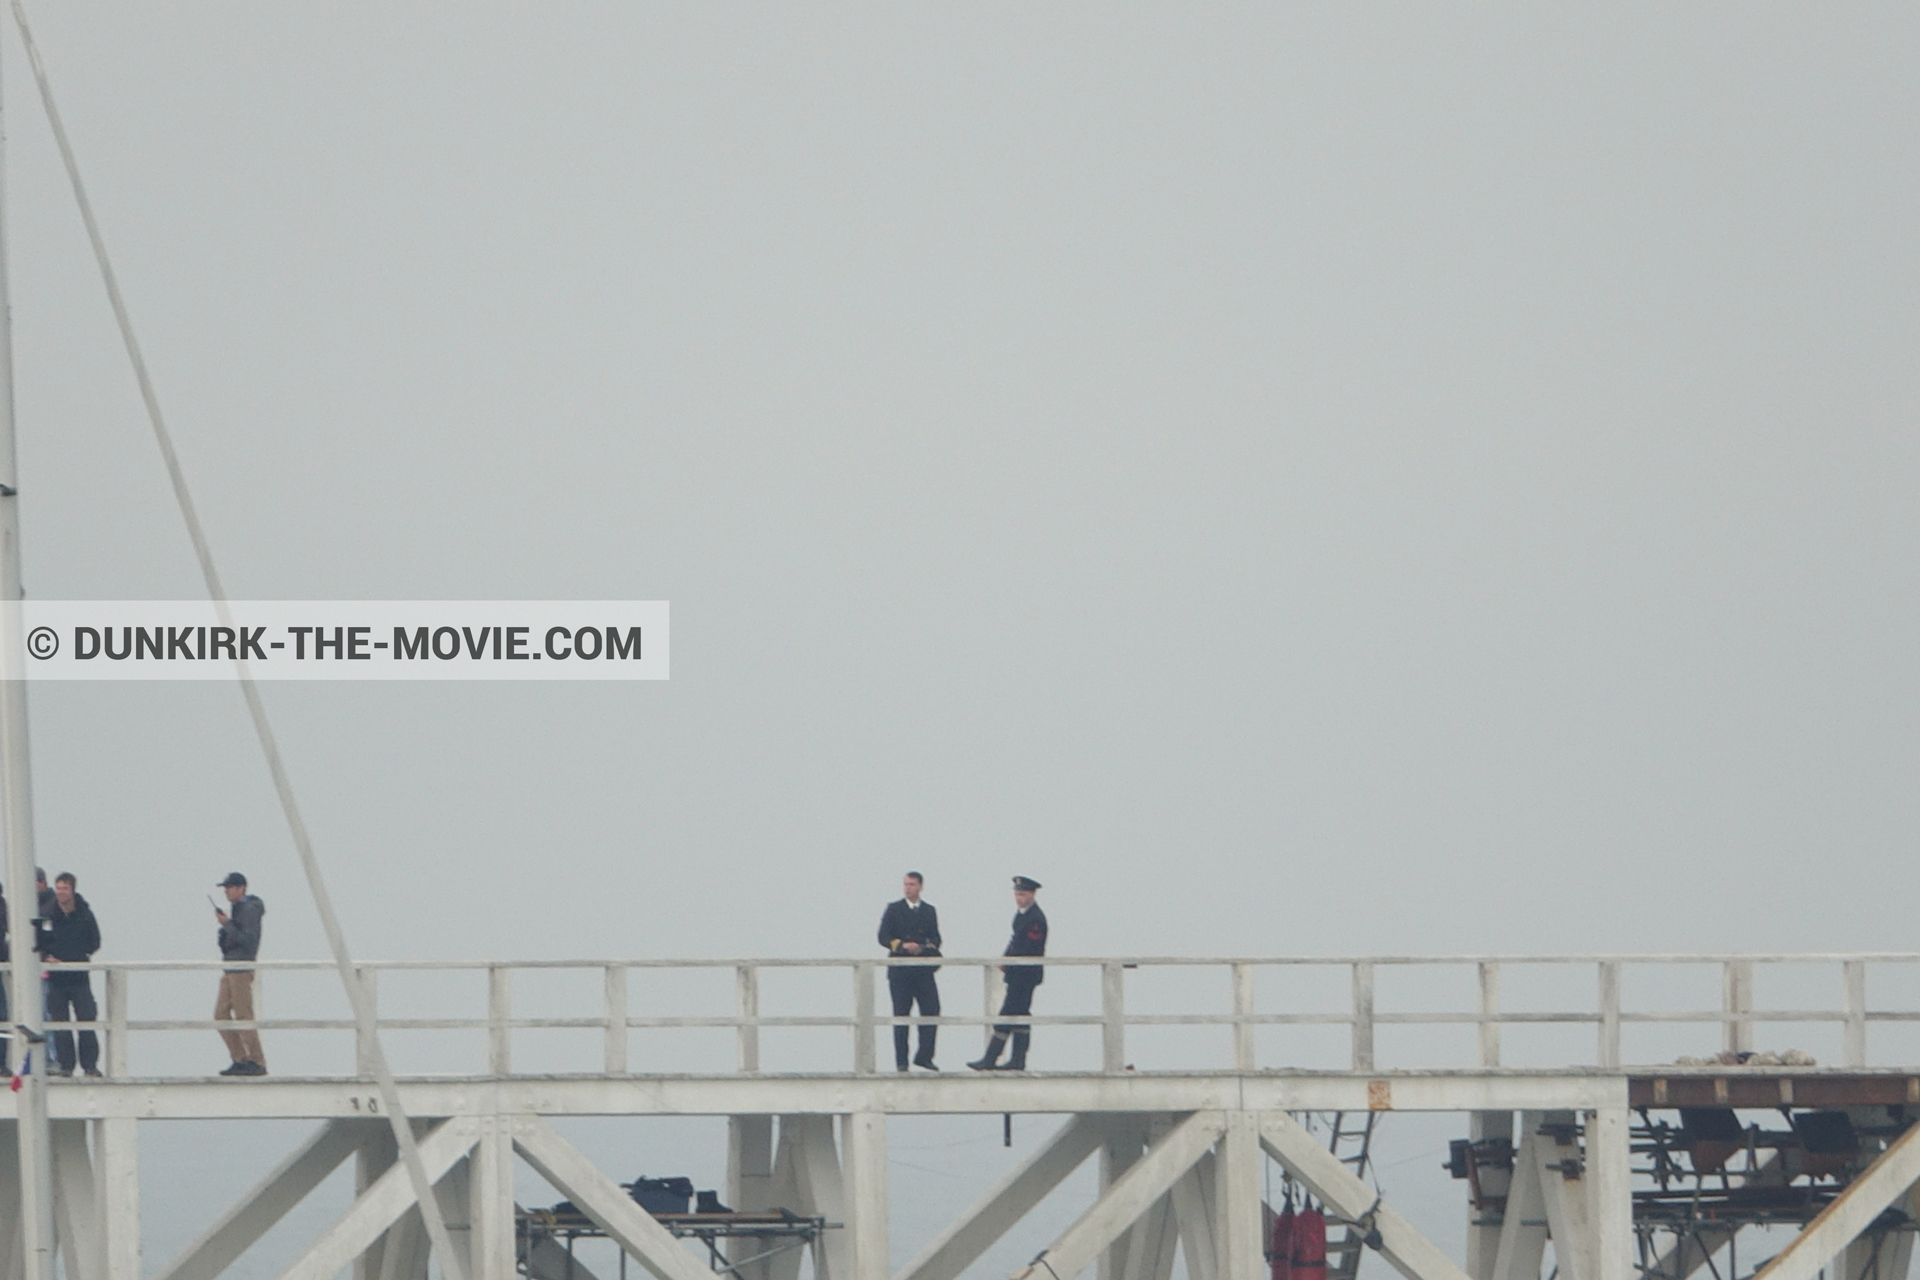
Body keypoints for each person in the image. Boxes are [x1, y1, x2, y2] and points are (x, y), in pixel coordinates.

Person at [969, 876, 1048, 1072]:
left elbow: (1029, 948)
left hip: (1025, 975)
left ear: (1032, 894)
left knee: (1008, 1015)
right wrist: (1006, 956)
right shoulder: (1021, 915)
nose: (1019, 898)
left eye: (1022, 894)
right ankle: (1017, 1060)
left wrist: (1010, 962)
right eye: (1017, 894)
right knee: (1020, 1014)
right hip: (1017, 975)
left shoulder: (1035, 918)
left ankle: (990, 1059)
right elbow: (1015, 941)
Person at [37, 872, 101, 1077]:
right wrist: (47, 957)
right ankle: (66, 1066)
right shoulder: (47, 913)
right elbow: (39, 941)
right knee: (60, 1022)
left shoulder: (84, 912)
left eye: (64, 888)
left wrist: (80, 955)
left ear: (72, 889)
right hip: (57, 978)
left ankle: (89, 1065)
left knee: (86, 1020)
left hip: (79, 976)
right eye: (58, 888)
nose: (61, 892)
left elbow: (95, 941)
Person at [877, 871, 942, 1071]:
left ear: (920, 886)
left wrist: (921, 948)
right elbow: (883, 936)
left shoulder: (929, 911)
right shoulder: (894, 909)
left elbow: (936, 938)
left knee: (931, 1011)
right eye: (905, 884)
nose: (908, 888)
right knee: (901, 1017)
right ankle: (902, 1063)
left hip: (923, 972)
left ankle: (924, 1056)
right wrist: (902, 946)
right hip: (900, 972)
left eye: (912, 884)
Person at [213, 872, 267, 1076]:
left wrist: (227, 925)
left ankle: (257, 1061)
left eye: (229, 887)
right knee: (220, 1015)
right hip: (231, 967)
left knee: (244, 1015)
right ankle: (240, 1058)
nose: (226, 891)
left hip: (241, 968)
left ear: (241, 888)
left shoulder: (250, 909)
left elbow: (247, 940)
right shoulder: (239, 909)